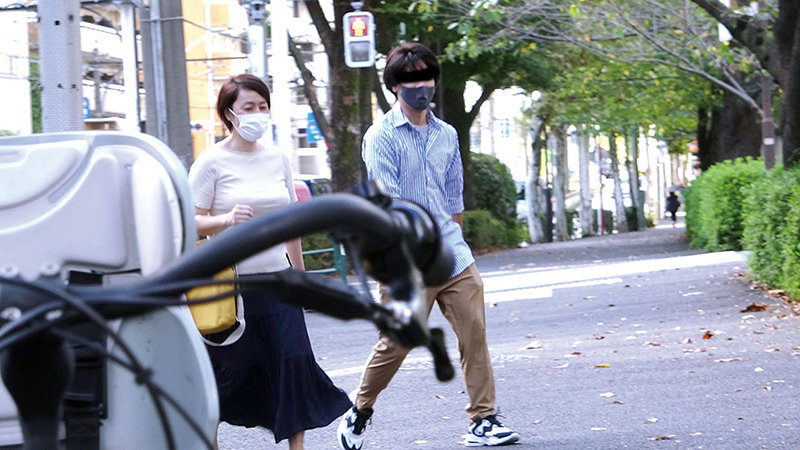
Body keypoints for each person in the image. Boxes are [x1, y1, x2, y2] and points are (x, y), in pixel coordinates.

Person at [337, 43, 520, 448]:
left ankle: (483, 418)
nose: (420, 86)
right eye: (410, 79)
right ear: (394, 86)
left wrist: (455, 240)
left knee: (474, 333)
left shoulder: (447, 134)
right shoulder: (380, 137)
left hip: (452, 253)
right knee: (397, 342)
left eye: (426, 77)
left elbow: (453, 197)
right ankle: (360, 409)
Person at [188, 73, 352, 449]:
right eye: (248, 107)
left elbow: (292, 221)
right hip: (232, 289)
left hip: (279, 281)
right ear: (229, 114)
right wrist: (225, 220)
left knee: (293, 365)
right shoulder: (211, 162)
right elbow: (190, 219)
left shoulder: (277, 157)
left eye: (263, 106)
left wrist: (300, 275)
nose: (257, 114)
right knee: (226, 374)